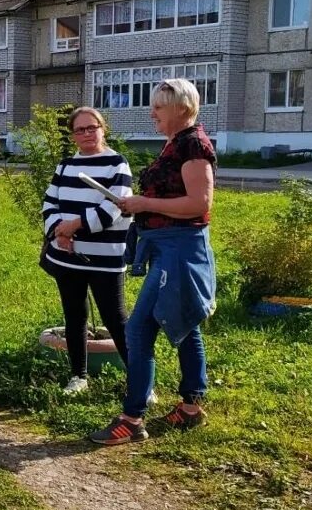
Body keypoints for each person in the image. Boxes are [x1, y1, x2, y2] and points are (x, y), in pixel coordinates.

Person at [91, 79, 218, 445]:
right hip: (168, 246)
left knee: (139, 330)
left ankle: (131, 419)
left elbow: (199, 204)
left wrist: (145, 204)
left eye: (159, 107)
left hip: (179, 249)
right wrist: (138, 203)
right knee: (185, 324)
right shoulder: (177, 144)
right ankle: (191, 408)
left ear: (181, 107)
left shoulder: (193, 144)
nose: (152, 114)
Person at [41, 107, 133, 394]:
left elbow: (112, 210)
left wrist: (73, 227)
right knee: (74, 315)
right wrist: (59, 232)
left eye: (91, 128)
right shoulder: (65, 165)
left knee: (115, 319)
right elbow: (48, 204)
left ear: (102, 128)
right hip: (66, 256)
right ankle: (78, 375)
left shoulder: (117, 165)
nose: (85, 134)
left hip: (105, 259)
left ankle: (139, 378)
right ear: (72, 136)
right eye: (79, 130)